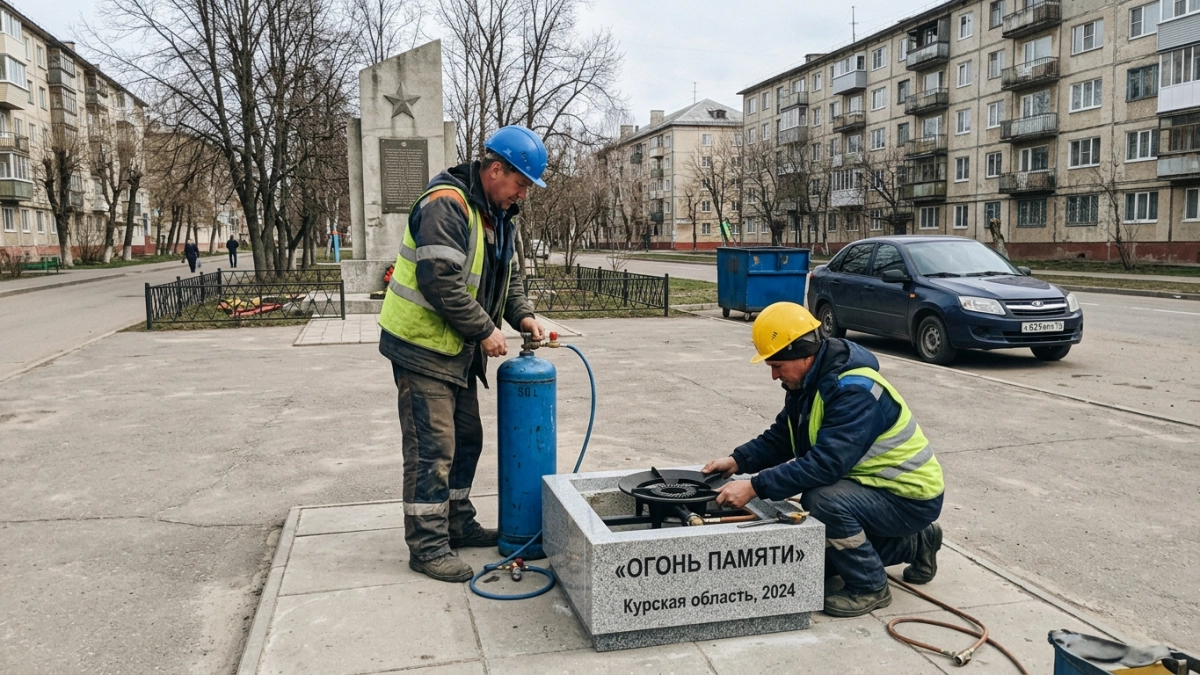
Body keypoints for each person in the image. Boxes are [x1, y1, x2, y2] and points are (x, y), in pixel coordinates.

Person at [378, 125, 548, 583]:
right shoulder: (447, 205)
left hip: (454, 351)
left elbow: (506, 279)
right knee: (433, 449)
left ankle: (456, 522)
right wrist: (486, 329)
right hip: (421, 347)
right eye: (520, 184)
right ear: (496, 170)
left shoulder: (496, 215)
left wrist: (524, 316)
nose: (522, 196)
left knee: (465, 440)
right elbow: (440, 280)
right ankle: (428, 546)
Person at [703, 302, 944, 618]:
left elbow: (825, 465)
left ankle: (871, 587)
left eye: (777, 365)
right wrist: (737, 460)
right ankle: (918, 543)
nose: (774, 375)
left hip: (909, 496)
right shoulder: (808, 382)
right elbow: (783, 437)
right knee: (821, 557)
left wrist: (754, 487)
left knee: (823, 501)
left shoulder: (853, 391)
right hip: (871, 488)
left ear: (804, 355)